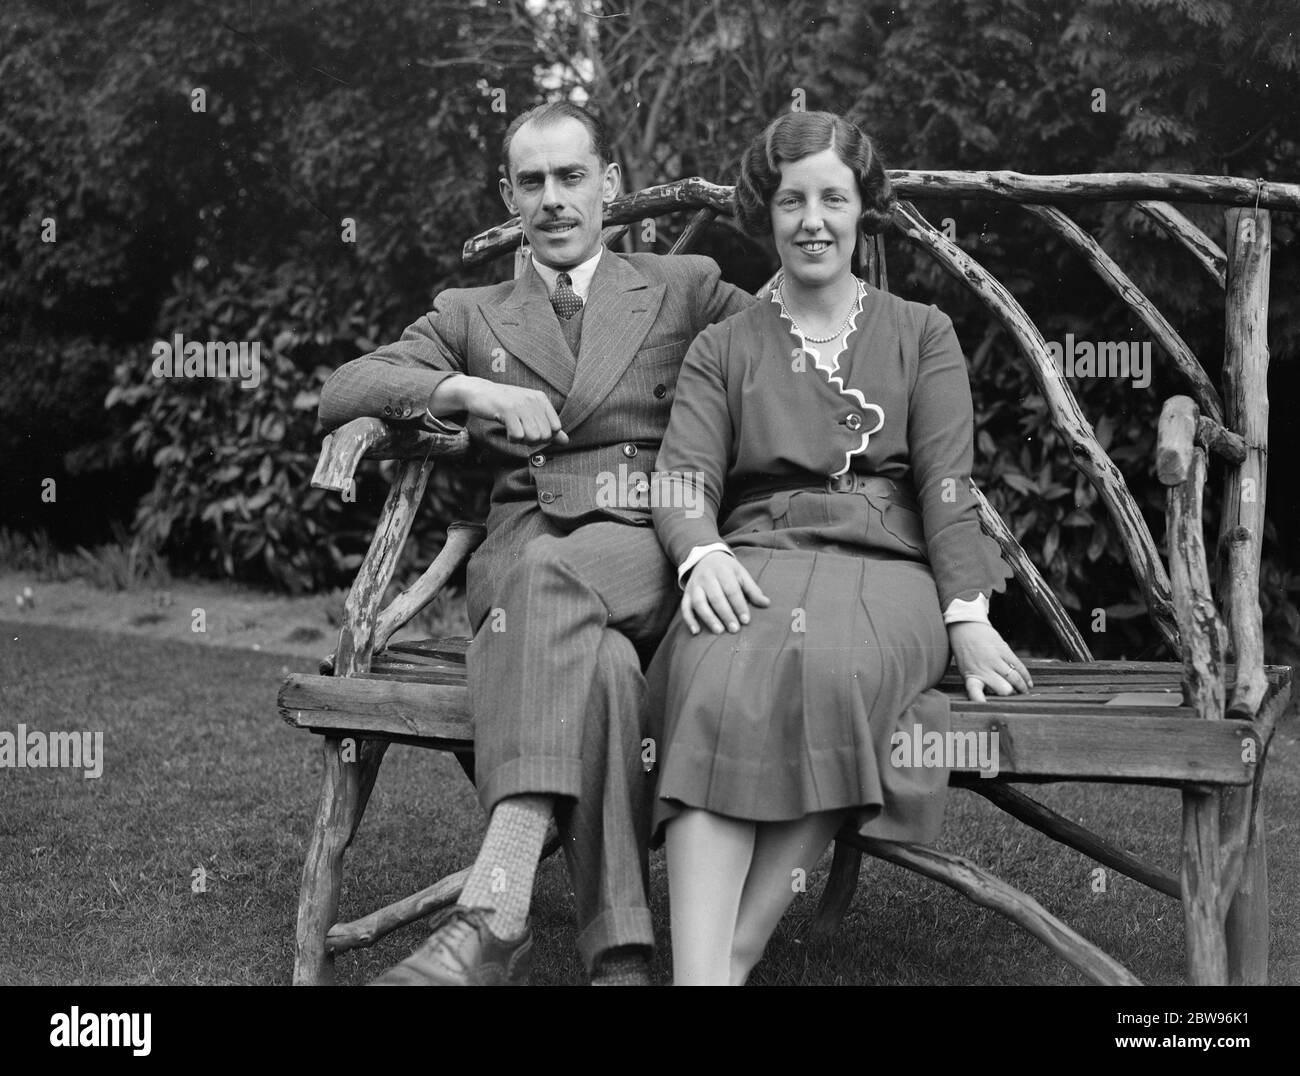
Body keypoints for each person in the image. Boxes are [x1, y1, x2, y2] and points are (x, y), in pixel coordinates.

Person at [317, 101, 751, 985]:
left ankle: (494, 908)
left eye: (572, 177)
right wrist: (469, 390)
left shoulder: (684, 284)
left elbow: (787, 348)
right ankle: (622, 959)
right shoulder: (473, 311)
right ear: (509, 195)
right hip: (523, 557)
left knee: (562, 582)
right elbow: (347, 387)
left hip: (650, 534)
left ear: (611, 186)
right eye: (533, 182)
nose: (554, 200)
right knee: (604, 676)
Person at [645, 111, 1032, 986]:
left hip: (887, 572)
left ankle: (728, 959)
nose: (812, 219)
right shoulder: (724, 345)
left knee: (834, 670)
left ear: (863, 209)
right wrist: (701, 555)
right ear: (767, 213)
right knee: (711, 675)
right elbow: (683, 480)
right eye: (791, 201)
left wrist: (964, 612)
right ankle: (703, 976)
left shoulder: (921, 332)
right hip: (761, 555)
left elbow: (945, 483)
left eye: (832, 198)